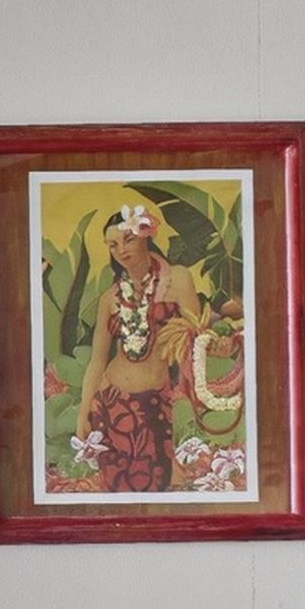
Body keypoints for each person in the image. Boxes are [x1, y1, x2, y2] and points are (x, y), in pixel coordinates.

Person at [74, 204, 207, 491]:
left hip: (155, 406)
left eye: (128, 239)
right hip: (110, 405)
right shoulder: (109, 298)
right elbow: (97, 361)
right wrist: (83, 409)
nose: (121, 249)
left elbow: (196, 342)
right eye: (112, 245)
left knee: (158, 487)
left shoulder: (178, 279)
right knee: (119, 491)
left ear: (145, 234)